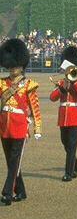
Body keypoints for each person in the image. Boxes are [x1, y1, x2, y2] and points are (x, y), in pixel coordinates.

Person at [0, 39, 42, 205]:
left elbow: (35, 107)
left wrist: (37, 127)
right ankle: (21, 191)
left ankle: (7, 192)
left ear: (21, 65)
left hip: (19, 127)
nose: (12, 69)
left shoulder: (28, 85)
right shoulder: (3, 84)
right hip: (4, 127)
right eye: (10, 66)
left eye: (15, 66)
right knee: (12, 161)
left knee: (14, 162)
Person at [49, 46, 77, 182]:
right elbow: (52, 97)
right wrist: (62, 88)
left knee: (71, 145)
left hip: (75, 116)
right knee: (65, 143)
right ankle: (75, 165)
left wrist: (74, 81)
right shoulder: (61, 82)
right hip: (63, 117)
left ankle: (68, 173)